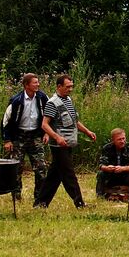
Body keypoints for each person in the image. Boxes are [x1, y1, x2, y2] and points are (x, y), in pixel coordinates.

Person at [33, 74, 97, 209]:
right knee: (69, 175)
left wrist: (87, 131)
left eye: (71, 86)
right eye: (68, 87)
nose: (70, 89)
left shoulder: (68, 100)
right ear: (59, 86)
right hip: (58, 145)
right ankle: (80, 203)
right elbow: (44, 124)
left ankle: (40, 203)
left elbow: (75, 122)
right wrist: (56, 137)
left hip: (68, 143)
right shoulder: (52, 103)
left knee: (54, 176)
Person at [0, 73, 49, 203]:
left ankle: (39, 197)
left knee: (41, 168)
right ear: (26, 85)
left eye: (38, 82)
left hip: (35, 135)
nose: (38, 84)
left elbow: (49, 116)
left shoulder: (42, 98)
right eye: (35, 83)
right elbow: (5, 121)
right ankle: (16, 197)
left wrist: (47, 133)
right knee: (16, 168)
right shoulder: (16, 100)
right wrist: (7, 140)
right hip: (18, 136)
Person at [96, 128, 129, 201]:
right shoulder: (107, 148)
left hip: (125, 175)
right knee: (101, 174)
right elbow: (100, 165)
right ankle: (100, 195)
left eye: (123, 138)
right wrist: (107, 168)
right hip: (112, 175)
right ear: (113, 140)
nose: (122, 141)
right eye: (119, 139)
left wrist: (123, 168)